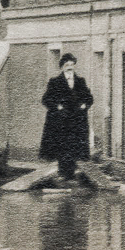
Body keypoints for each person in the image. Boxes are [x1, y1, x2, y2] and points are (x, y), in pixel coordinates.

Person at [39, 53, 93, 182]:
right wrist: (57, 107)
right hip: (61, 121)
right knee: (63, 147)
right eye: (67, 65)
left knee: (75, 146)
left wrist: (85, 105)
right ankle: (63, 172)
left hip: (77, 120)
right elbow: (46, 99)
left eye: (71, 65)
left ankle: (72, 172)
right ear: (62, 67)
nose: (70, 67)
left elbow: (89, 97)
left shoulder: (81, 81)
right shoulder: (55, 82)